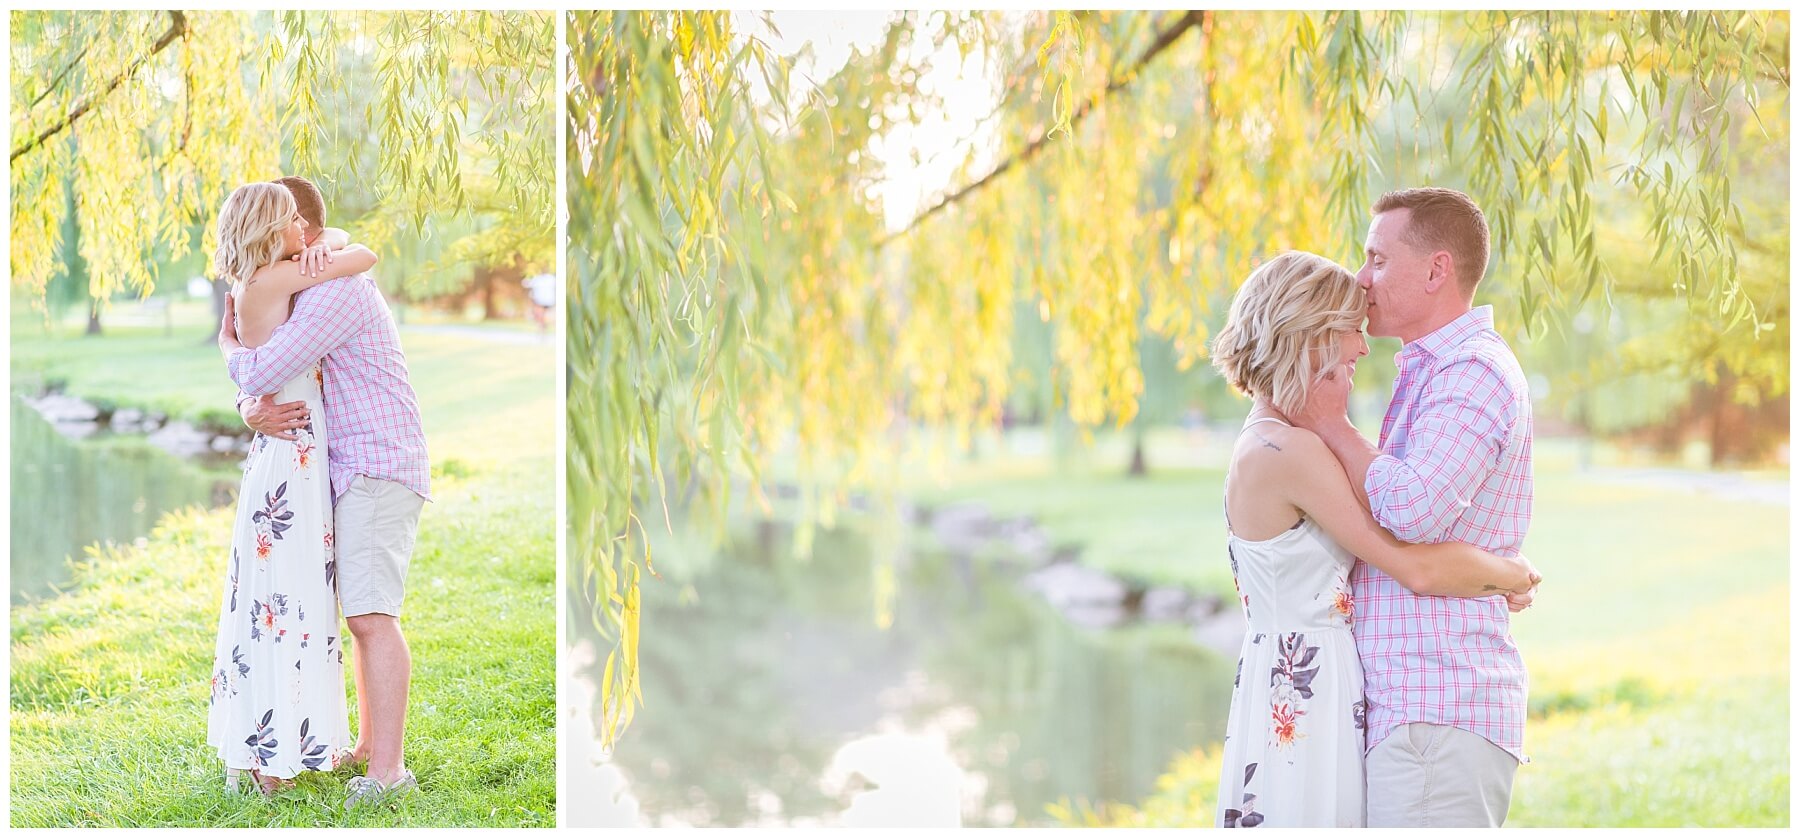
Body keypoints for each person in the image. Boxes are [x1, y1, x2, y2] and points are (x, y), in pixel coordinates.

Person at [1206, 250, 1540, 827]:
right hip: (1308, 692)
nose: (1362, 348)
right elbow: (1409, 563)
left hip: (1302, 680)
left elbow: (1398, 508)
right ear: (1309, 335)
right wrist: (1510, 573)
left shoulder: (1272, 439)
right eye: (1350, 331)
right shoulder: (1292, 453)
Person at [1292, 188, 1536, 827]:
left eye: (1376, 258)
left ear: (1436, 270)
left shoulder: (1471, 373)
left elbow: (1413, 508)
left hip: (1439, 708)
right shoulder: (1431, 371)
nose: (1359, 276)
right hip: (1414, 711)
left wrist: (1334, 427)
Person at [219, 175, 432, 809]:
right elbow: (273, 374)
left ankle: (388, 772)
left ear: (302, 235)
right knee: (356, 613)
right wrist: (251, 408)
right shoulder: (306, 276)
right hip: (341, 466)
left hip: (375, 464)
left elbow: (262, 367)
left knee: (370, 615)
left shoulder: (333, 291)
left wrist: (229, 347)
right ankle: (368, 749)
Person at [205, 181, 375, 796]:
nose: (303, 232)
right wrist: (327, 247)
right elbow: (364, 258)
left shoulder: (253, 281)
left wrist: (316, 245)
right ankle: (271, 759)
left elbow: (336, 246)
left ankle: (266, 748)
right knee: (287, 600)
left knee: (276, 598)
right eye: (292, 225)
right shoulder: (274, 282)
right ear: (271, 229)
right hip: (293, 456)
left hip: (284, 450)